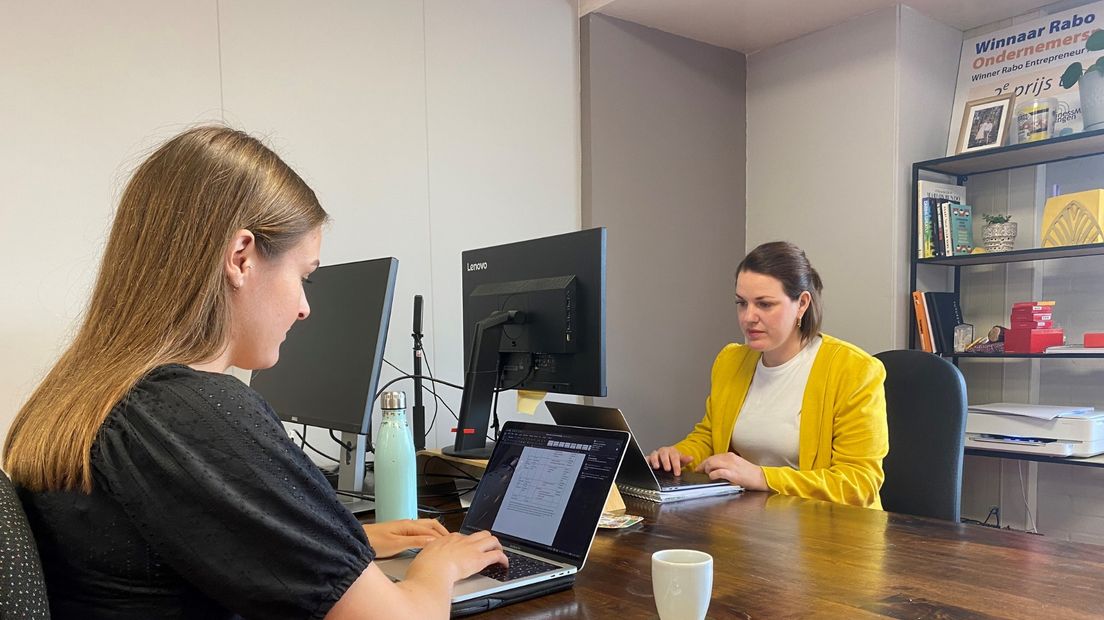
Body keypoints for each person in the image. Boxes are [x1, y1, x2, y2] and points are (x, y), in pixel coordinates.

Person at [2, 126, 507, 619]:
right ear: (241, 257)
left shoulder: (79, 401)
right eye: (303, 275)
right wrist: (439, 568)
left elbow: (159, 549)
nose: (305, 307)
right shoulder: (190, 413)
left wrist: (339, 545)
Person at [645, 241, 888, 509]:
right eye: (741, 303)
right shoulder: (731, 360)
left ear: (802, 304)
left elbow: (859, 483)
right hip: (753, 524)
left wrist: (762, 477)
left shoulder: (854, 370)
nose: (749, 317)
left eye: (765, 304)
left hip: (828, 533)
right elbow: (710, 436)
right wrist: (678, 456)